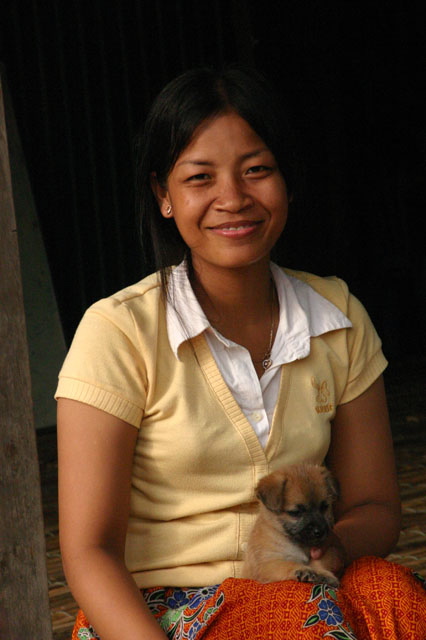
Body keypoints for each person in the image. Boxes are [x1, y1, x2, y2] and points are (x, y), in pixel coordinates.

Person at [56, 67, 426, 640]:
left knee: (394, 595)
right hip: (159, 610)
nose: (233, 199)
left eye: (257, 170)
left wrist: (324, 551)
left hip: (303, 579)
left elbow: (376, 504)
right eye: (200, 177)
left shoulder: (337, 316)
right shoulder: (118, 333)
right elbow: (88, 552)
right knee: (306, 623)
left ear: (287, 181)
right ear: (164, 196)